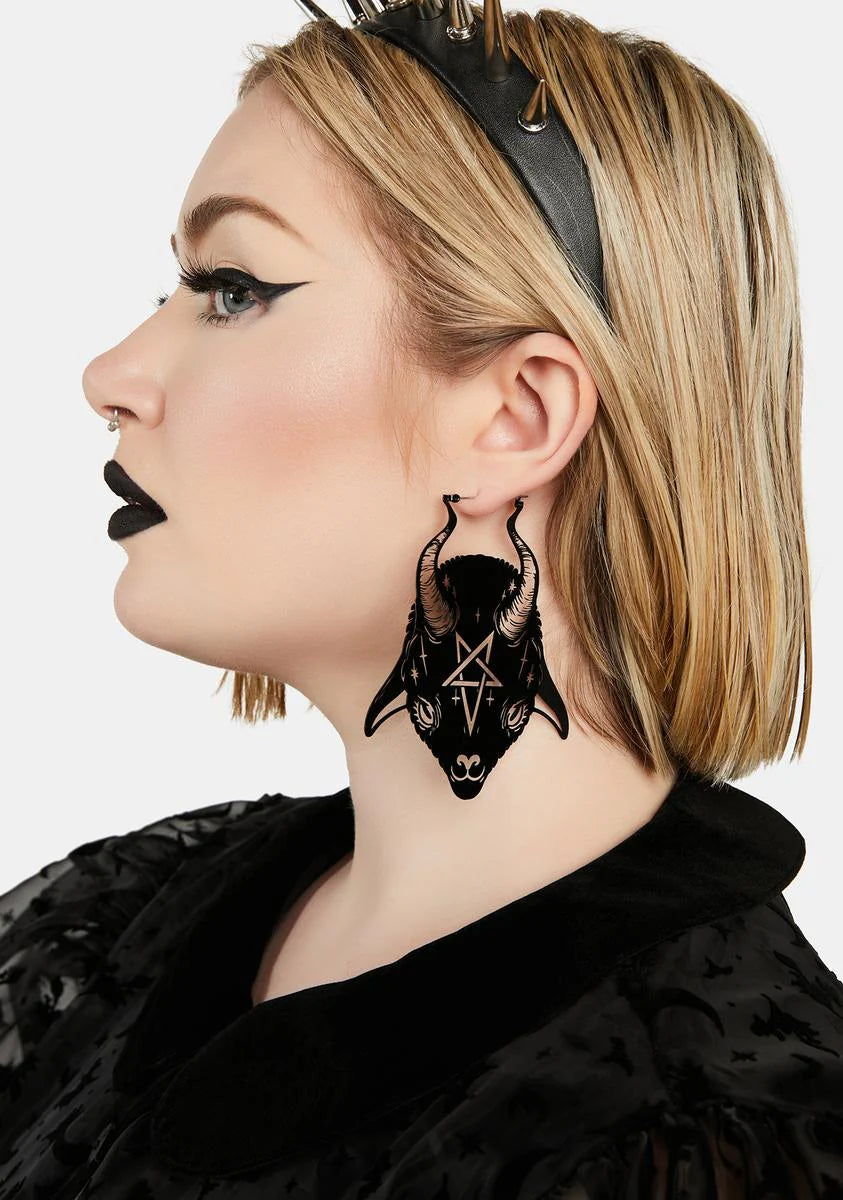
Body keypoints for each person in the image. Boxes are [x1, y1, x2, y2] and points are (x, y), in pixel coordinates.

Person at [2, 1, 841, 1196]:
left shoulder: (713, 1140)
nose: (112, 375)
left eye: (233, 288)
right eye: (180, 285)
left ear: (517, 416)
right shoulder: (102, 930)